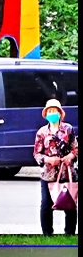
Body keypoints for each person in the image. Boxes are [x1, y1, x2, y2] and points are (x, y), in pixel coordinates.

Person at [33, 98, 78, 236]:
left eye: (55, 111)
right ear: (46, 114)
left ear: (60, 113)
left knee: (69, 205)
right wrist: (48, 159)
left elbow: (75, 148)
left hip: (67, 173)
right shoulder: (41, 132)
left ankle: (69, 233)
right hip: (48, 174)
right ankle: (47, 234)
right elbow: (37, 153)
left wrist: (70, 156)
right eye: (50, 111)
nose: (52, 113)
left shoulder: (68, 129)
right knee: (46, 205)